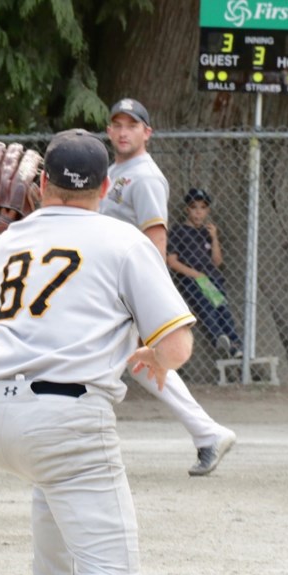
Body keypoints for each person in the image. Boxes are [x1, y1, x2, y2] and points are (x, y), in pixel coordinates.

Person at [0, 129, 196, 575]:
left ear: (41, 184)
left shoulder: (8, 242)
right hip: (63, 420)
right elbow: (177, 348)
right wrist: (153, 352)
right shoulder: (124, 240)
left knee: (56, 518)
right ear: (106, 188)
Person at [99, 97, 237, 477]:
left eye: (132, 125)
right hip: (111, 285)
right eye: (118, 124)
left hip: (125, 288)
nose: (124, 131)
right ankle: (208, 434)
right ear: (109, 131)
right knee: (140, 363)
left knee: (118, 359)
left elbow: (155, 240)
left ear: (147, 132)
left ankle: (78, 442)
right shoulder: (116, 172)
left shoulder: (144, 176)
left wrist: (149, 299)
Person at [167, 188, 244, 358]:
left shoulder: (206, 233)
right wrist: (195, 275)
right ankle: (220, 339)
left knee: (222, 308)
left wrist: (214, 237)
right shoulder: (179, 231)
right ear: (188, 209)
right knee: (207, 307)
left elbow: (217, 261)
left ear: (207, 211)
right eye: (194, 208)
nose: (198, 212)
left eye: (202, 208)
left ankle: (236, 344)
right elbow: (172, 261)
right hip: (193, 280)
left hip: (210, 280)